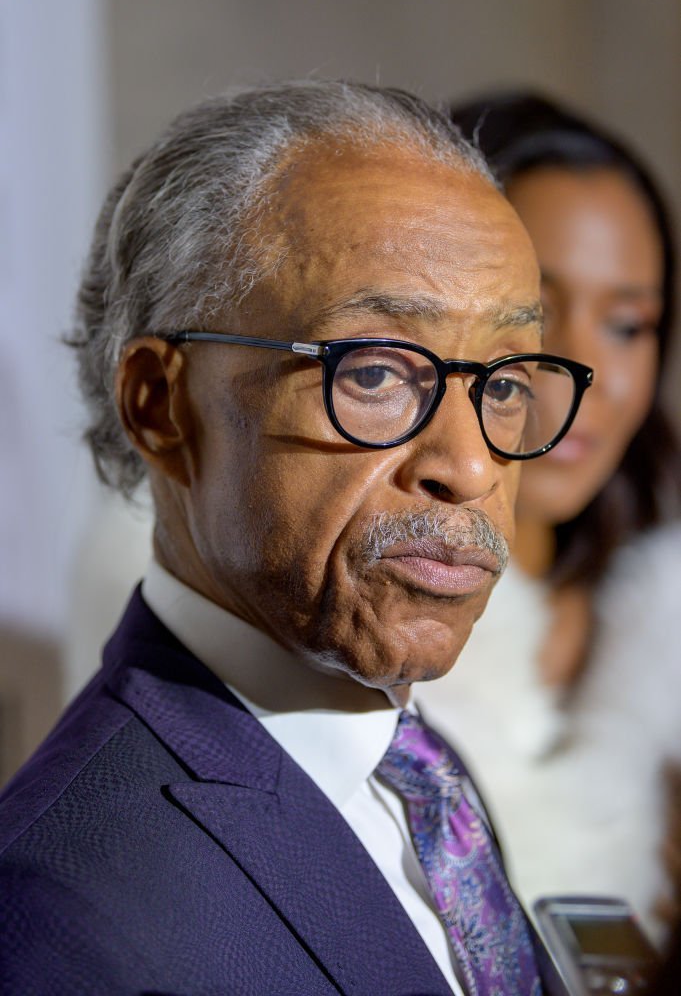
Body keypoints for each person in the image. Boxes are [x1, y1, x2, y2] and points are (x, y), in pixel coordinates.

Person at [0, 80, 588, 995]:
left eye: (504, 383)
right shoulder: (57, 917)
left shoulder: (419, 770)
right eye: (377, 373)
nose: (469, 467)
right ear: (161, 407)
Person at [416, 92, 681, 944]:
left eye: (627, 324)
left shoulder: (657, 630)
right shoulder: (343, 624)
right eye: (532, 301)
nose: (583, 369)